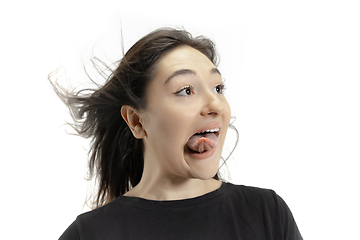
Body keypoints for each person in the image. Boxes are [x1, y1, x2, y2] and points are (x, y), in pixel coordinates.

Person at [53, 27, 303, 239]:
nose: (216, 105)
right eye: (186, 90)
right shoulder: (90, 233)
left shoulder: (267, 213)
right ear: (136, 121)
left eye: (217, 87)